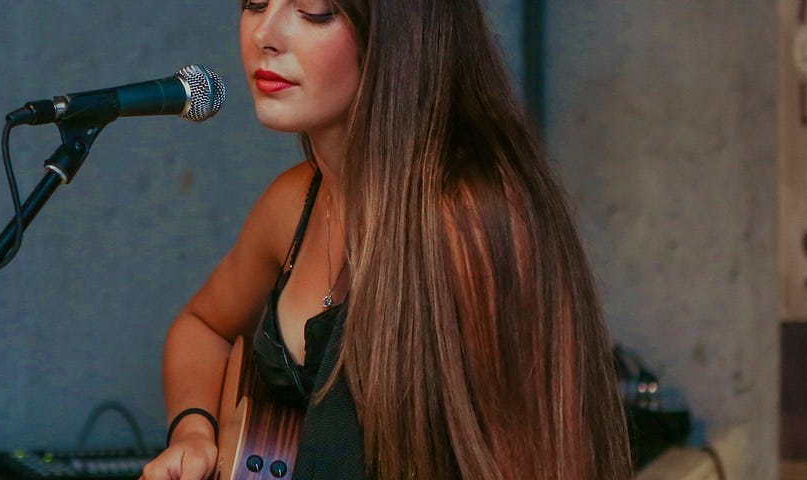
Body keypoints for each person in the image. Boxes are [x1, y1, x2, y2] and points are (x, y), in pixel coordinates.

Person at [142, 0, 630, 478]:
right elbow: (201, 328)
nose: (265, 35)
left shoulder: (469, 221)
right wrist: (193, 434)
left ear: (399, 35)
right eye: (254, 3)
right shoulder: (294, 202)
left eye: (313, 10)